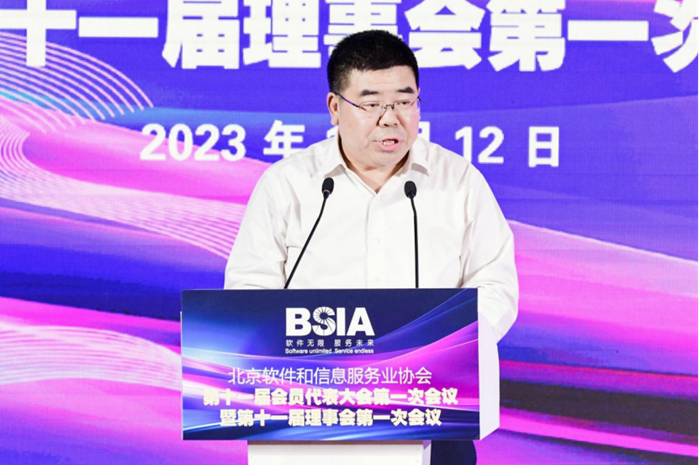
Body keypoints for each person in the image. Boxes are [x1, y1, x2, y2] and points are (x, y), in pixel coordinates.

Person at [225, 30, 518, 464]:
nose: (390, 118)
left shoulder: (458, 182)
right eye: (371, 104)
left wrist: (447, 346)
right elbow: (248, 292)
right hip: (312, 415)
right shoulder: (289, 184)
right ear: (335, 107)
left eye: (404, 101)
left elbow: (496, 284)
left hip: (430, 408)